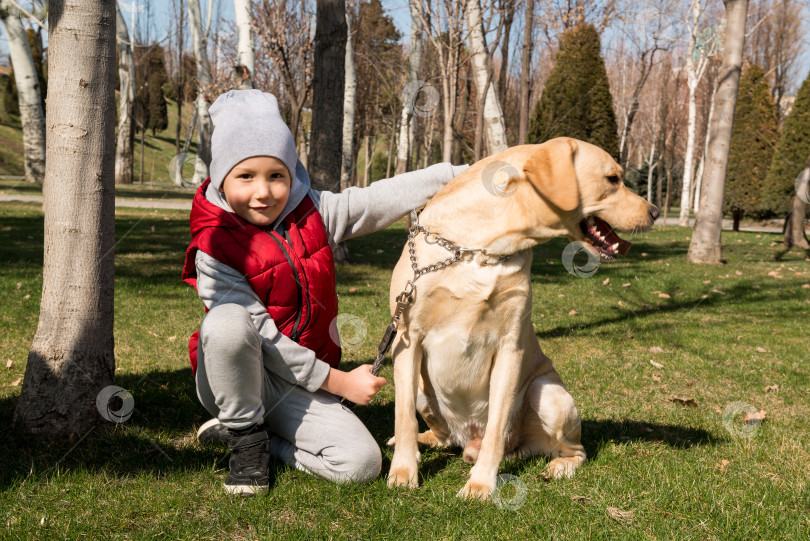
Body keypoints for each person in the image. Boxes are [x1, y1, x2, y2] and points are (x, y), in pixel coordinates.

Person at [181, 89, 467, 495]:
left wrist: (463, 173)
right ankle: (245, 441)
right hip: (235, 377)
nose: (263, 192)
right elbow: (264, 337)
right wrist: (339, 383)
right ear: (221, 179)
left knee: (361, 463)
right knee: (228, 321)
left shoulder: (314, 212)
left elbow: (377, 199)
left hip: (293, 384)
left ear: (291, 173)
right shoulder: (212, 245)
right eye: (246, 176)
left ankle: (263, 441)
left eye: (276, 175)